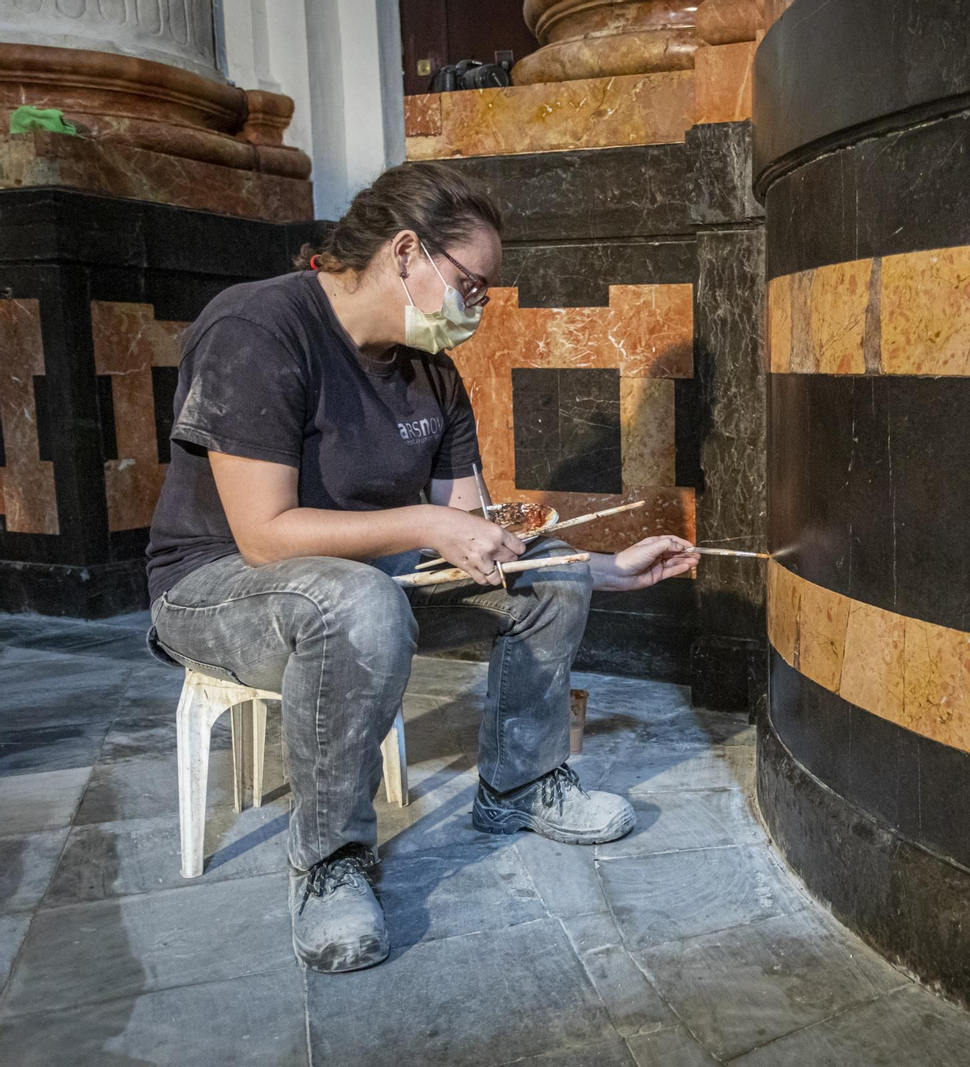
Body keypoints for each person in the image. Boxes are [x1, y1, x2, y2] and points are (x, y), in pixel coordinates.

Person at [143, 161, 699, 974]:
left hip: (356, 576)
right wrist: (430, 523)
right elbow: (263, 536)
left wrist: (601, 568)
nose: (476, 309)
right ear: (406, 252)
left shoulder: (430, 368)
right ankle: (330, 858)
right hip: (214, 582)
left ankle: (519, 784)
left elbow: (476, 531)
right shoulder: (259, 328)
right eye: (470, 286)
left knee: (546, 572)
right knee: (357, 602)